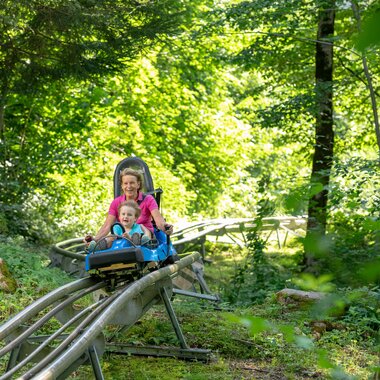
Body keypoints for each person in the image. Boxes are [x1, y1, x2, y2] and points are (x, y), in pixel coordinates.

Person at [86, 167, 173, 244]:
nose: (129, 186)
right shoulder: (116, 202)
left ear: (138, 184)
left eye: (132, 183)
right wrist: (95, 239)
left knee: (143, 232)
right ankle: (99, 246)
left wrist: (166, 228)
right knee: (112, 235)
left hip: (144, 233)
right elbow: (107, 226)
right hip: (123, 234)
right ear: (122, 185)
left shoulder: (148, 199)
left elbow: (159, 221)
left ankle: (138, 240)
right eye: (125, 183)